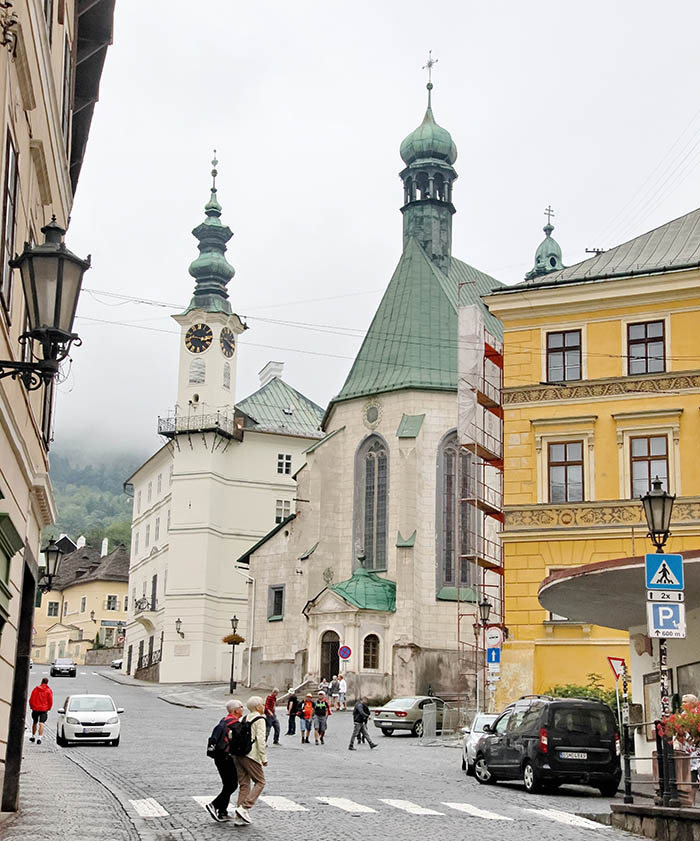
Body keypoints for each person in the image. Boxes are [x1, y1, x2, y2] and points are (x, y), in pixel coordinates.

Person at [205, 699, 243, 822]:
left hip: (219, 756)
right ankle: (214, 804)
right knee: (232, 784)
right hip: (226, 757)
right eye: (241, 707)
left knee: (228, 784)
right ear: (236, 710)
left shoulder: (224, 720)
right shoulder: (234, 724)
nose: (243, 709)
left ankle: (222, 811)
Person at [234, 696, 267, 826]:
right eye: (263, 704)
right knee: (260, 781)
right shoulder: (260, 719)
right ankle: (245, 807)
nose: (264, 706)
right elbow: (261, 740)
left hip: (238, 754)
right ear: (258, 707)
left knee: (244, 784)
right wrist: (263, 758)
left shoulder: (244, 718)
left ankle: (239, 816)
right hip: (251, 755)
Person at [28, 677, 53, 745]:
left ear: (41, 682)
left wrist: (31, 706)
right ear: (47, 683)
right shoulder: (48, 690)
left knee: (34, 722)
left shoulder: (36, 689)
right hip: (44, 709)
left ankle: (33, 736)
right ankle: (39, 738)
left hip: (35, 708)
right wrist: (49, 708)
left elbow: (31, 698)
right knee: (41, 723)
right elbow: (50, 700)